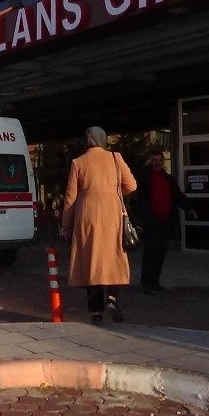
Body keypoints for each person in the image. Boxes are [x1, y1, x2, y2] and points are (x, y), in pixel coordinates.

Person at [60, 126, 137, 325]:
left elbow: (70, 198)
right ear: (103, 139)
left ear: (87, 140)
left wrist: (65, 225)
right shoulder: (115, 158)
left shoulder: (78, 162)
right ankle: (112, 299)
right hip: (112, 215)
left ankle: (96, 312)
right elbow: (131, 185)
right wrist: (113, 191)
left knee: (92, 261)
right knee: (114, 259)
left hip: (87, 216)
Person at [133, 150, 197, 294]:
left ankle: (155, 282)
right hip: (151, 222)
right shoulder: (145, 178)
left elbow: (178, 196)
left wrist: (189, 208)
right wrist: (146, 167)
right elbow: (137, 183)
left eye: (159, 160)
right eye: (154, 160)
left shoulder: (168, 179)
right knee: (151, 252)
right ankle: (147, 283)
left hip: (165, 221)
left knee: (160, 253)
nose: (157, 163)